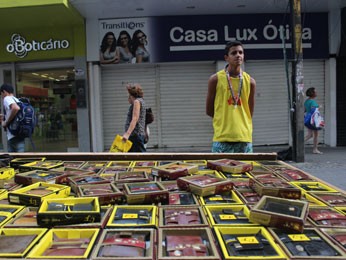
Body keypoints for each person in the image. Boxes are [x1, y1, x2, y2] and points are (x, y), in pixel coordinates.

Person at [206, 41, 256, 153]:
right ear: (226, 58)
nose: (238, 55)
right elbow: (209, 111)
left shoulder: (250, 82)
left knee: (245, 170)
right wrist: (224, 119)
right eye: (234, 53)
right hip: (222, 140)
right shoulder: (215, 79)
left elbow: (249, 112)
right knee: (220, 170)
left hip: (244, 140)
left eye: (241, 52)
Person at [0, 83, 25, 152]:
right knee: (20, 157)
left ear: (4, 92)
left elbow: (15, 108)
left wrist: (6, 122)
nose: (1, 96)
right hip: (20, 132)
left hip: (13, 133)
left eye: (1, 93)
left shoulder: (7, 98)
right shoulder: (16, 99)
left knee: (12, 158)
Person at [122, 83, 147, 152]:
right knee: (134, 158)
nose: (128, 97)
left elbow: (135, 118)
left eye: (129, 95)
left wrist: (127, 134)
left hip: (135, 135)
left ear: (132, 95)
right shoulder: (141, 101)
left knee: (141, 158)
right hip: (136, 135)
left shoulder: (137, 102)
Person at [304, 87, 323, 154]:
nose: (316, 93)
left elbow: (305, 110)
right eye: (315, 92)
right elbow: (314, 111)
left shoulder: (306, 101)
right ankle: (315, 149)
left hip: (307, 119)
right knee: (315, 134)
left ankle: (298, 144)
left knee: (310, 135)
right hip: (313, 120)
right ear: (313, 93)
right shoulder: (312, 102)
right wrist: (319, 107)